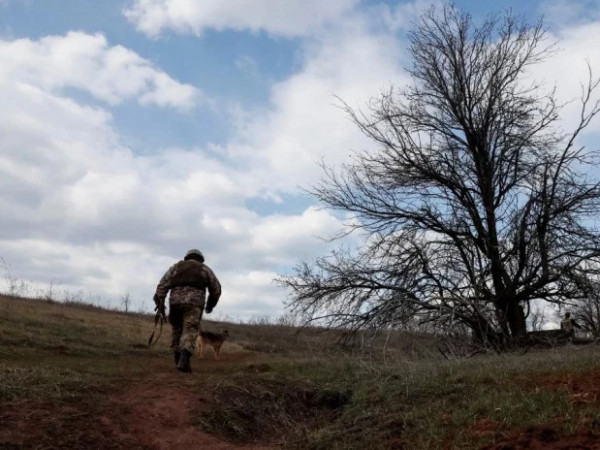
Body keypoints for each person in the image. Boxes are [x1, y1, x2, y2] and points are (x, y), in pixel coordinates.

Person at [153, 249, 221, 373]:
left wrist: (160, 301)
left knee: (177, 331)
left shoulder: (175, 268)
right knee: (190, 330)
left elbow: (162, 285)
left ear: (187, 257)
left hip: (175, 304)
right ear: (200, 259)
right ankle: (184, 360)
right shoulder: (204, 269)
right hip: (194, 305)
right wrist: (210, 305)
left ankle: (178, 360)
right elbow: (216, 289)